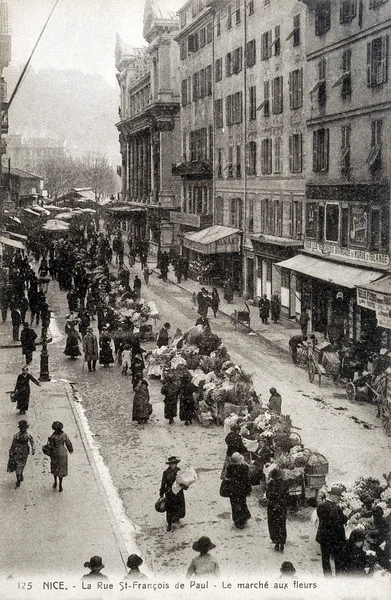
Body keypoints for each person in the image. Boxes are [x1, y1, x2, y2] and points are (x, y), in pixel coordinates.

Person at [316, 486, 348, 576]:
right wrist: (345, 516)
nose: (339, 500)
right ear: (333, 496)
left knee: (325, 559)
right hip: (335, 538)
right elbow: (341, 519)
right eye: (338, 498)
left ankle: (328, 577)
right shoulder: (335, 508)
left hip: (324, 537)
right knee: (338, 558)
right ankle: (338, 576)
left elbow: (322, 519)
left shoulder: (321, 505)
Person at [159, 456, 187, 532]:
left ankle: (176, 519)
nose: (172, 465)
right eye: (171, 464)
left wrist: (184, 486)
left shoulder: (180, 471)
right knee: (169, 509)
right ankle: (169, 524)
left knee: (178, 507)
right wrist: (161, 494)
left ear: (176, 464)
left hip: (178, 493)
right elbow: (163, 484)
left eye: (174, 463)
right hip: (170, 493)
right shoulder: (165, 472)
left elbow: (184, 481)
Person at [225, 452, 252, 529]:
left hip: (233, 490)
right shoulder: (244, 467)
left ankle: (237, 520)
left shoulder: (230, 467)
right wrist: (248, 489)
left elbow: (227, 476)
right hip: (242, 490)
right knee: (242, 503)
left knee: (234, 504)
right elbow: (248, 479)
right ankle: (243, 519)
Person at [266, 468, 289, 552]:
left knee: (273, 525)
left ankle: (276, 543)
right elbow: (287, 496)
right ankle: (282, 543)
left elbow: (268, 496)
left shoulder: (270, 484)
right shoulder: (285, 483)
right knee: (282, 525)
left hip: (272, 508)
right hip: (282, 507)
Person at [7, 420, 35, 487]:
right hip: (19, 451)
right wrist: (11, 450)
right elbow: (13, 444)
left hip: (24, 451)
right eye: (22, 428)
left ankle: (20, 474)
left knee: (22, 464)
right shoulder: (17, 435)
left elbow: (32, 442)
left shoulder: (25, 434)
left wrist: (33, 449)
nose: (23, 429)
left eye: (24, 428)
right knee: (18, 464)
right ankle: (18, 479)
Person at [48, 421, 73, 492]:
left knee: (55, 467)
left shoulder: (53, 436)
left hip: (55, 453)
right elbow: (68, 443)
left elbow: (51, 446)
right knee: (61, 468)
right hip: (62, 452)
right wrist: (70, 450)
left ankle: (55, 481)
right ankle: (60, 484)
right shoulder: (64, 435)